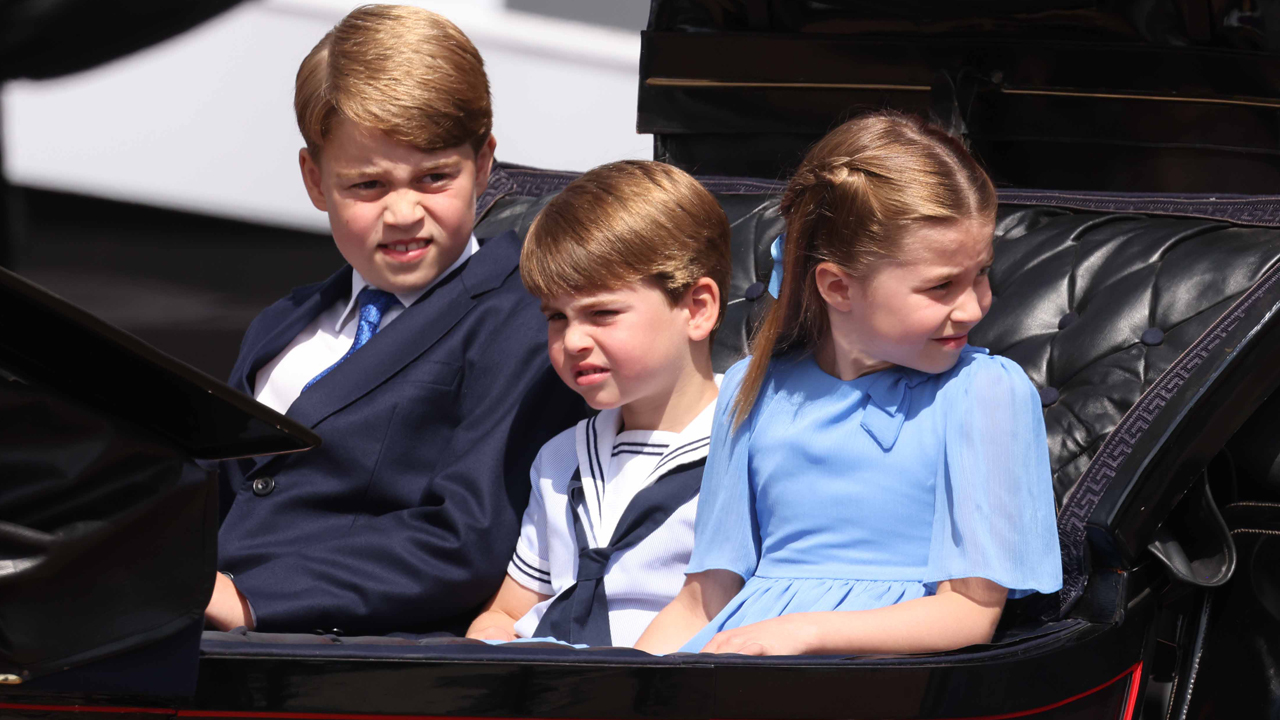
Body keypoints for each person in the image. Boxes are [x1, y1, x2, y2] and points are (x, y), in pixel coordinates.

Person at [205, 5, 585, 636]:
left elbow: (470, 534)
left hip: (357, 660)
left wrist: (249, 599)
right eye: (368, 186)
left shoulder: (527, 316)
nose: (405, 211)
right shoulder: (283, 322)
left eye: (435, 177)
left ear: (485, 164)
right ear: (314, 179)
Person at [634, 111, 1062, 656]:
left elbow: (971, 610)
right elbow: (703, 599)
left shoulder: (985, 392)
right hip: (741, 668)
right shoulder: (752, 389)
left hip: (876, 680)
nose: (975, 304)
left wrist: (804, 632)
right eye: (941, 286)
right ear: (838, 286)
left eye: (981, 273)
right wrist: (626, 682)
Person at [465, 161, 731, 648]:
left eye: (601, 313)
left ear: (697, 309)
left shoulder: (745, 451)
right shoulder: (559, 459)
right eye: (556, 318)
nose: (574, 340)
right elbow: (509, 609)